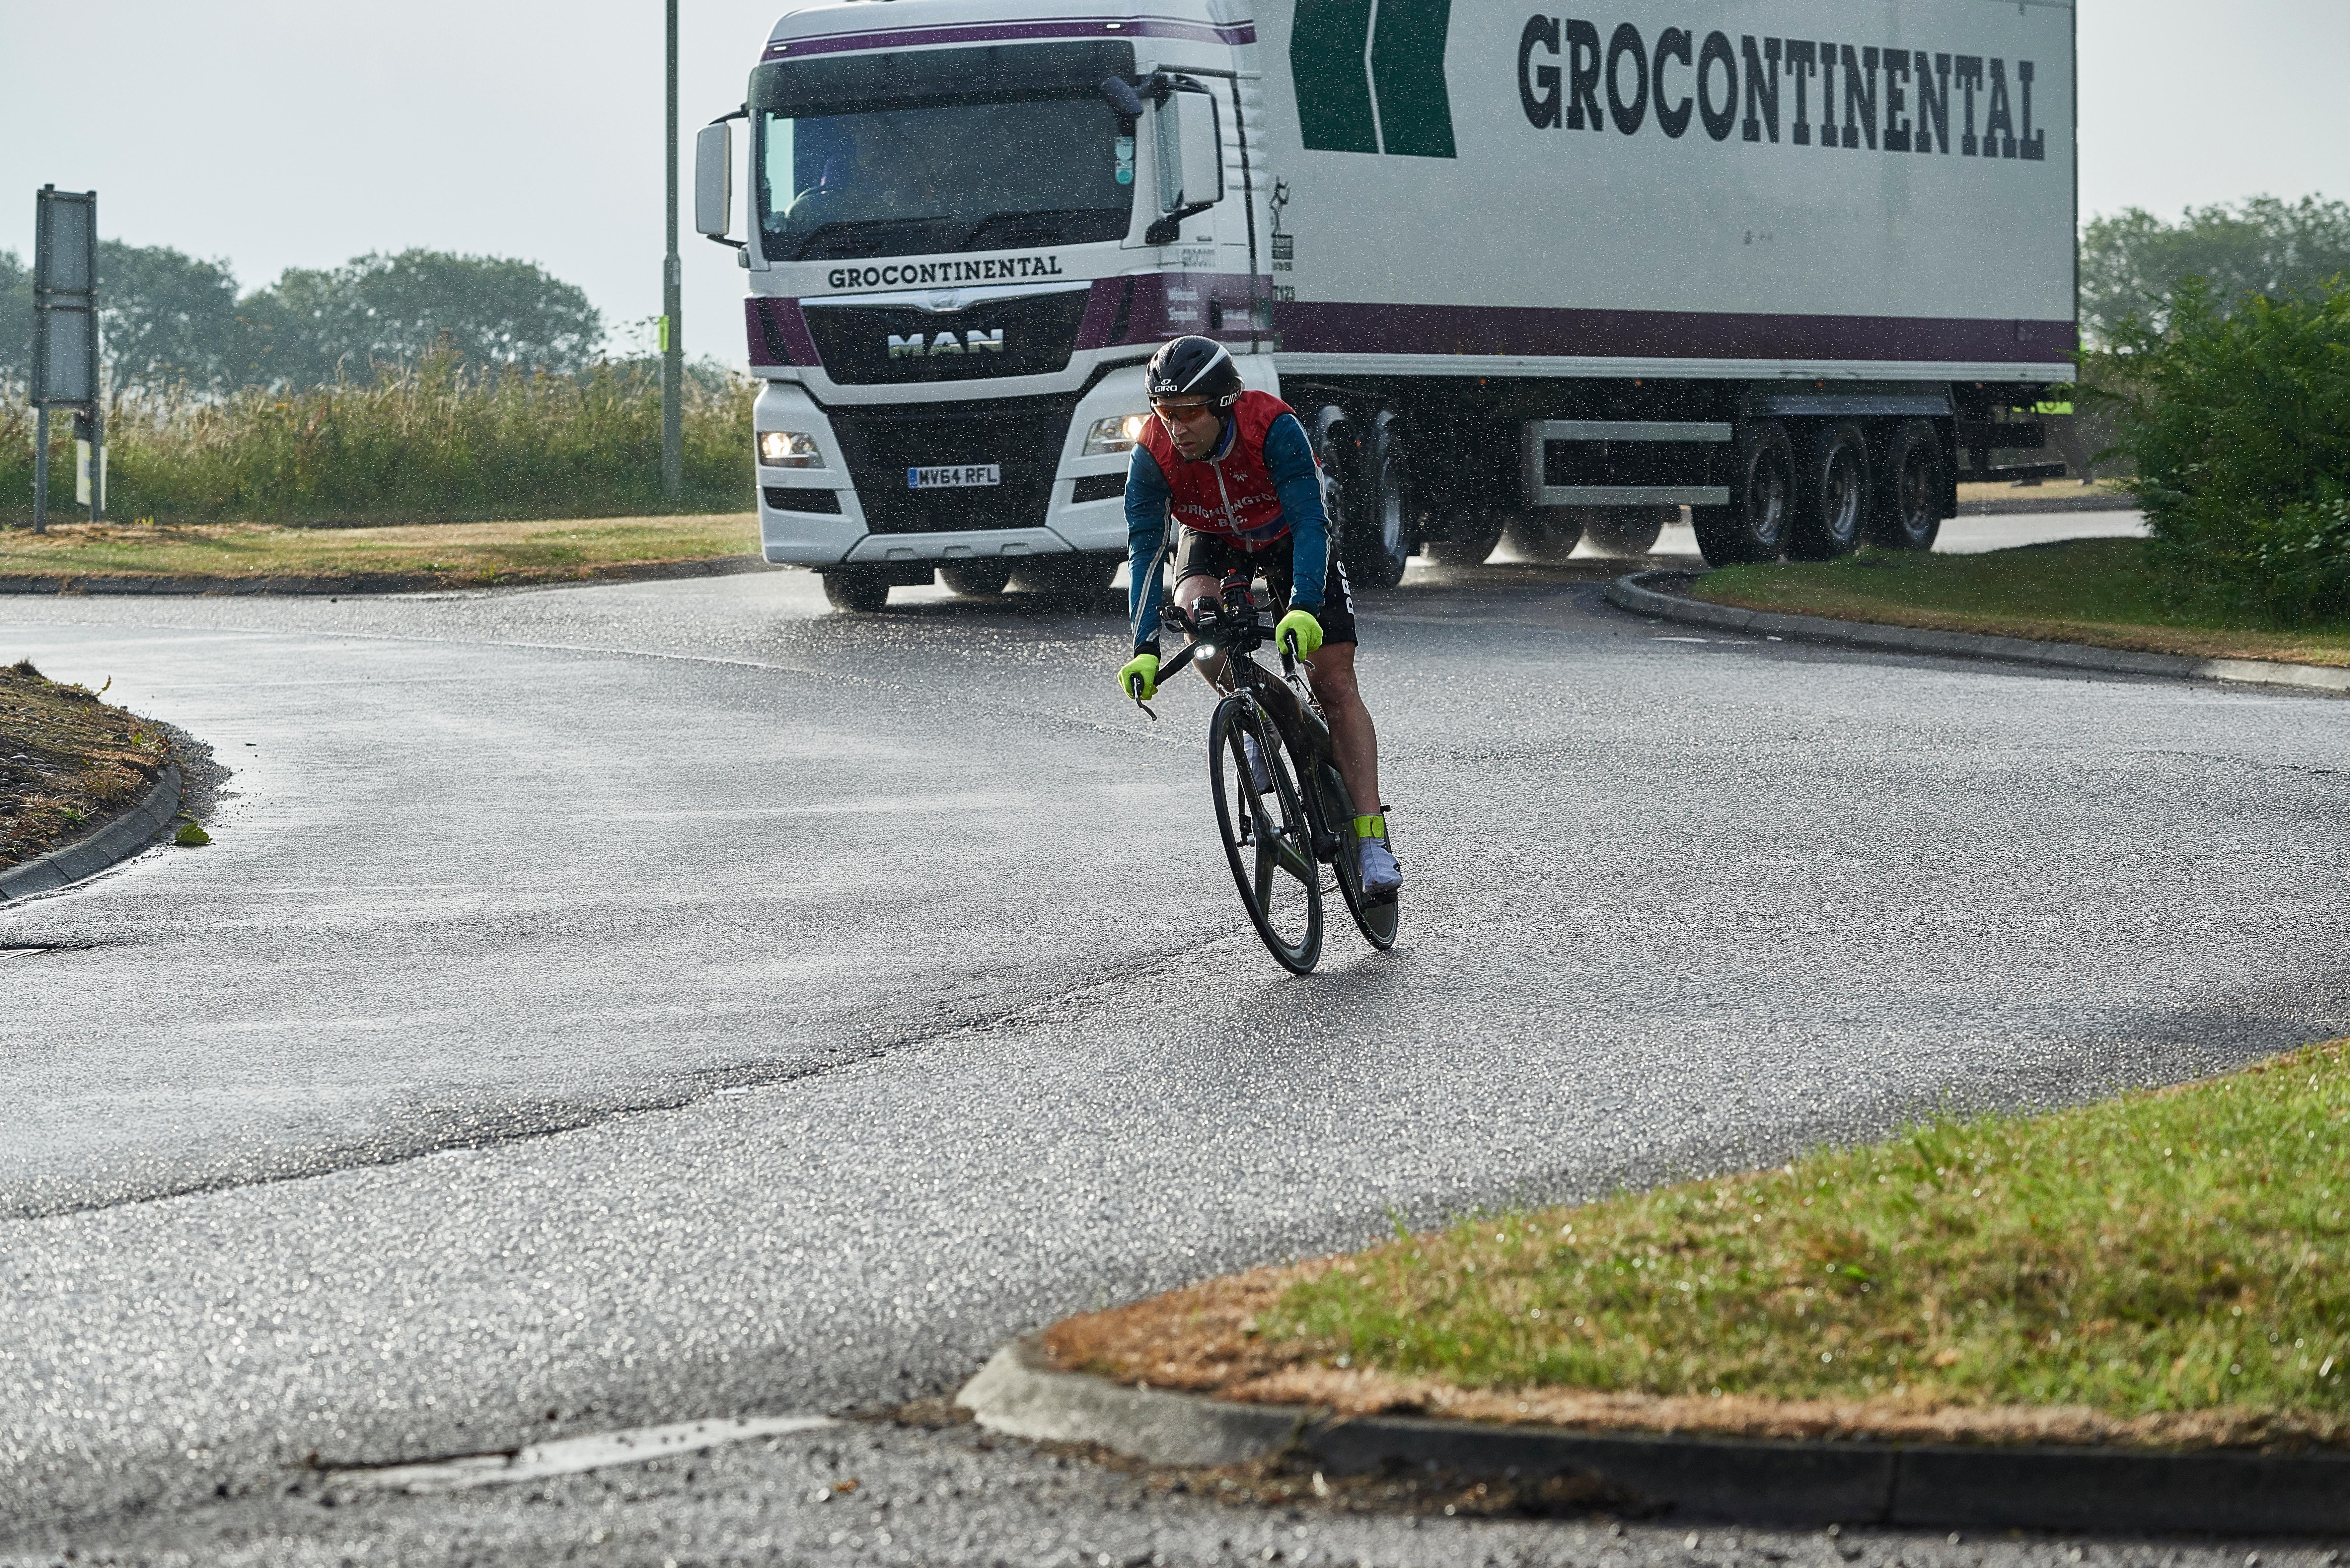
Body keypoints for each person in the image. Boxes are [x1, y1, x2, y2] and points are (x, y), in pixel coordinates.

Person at [1115, 336, 1401, 898]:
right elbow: (1146, 552)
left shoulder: (1274, 428)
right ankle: (1264, 717)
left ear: (1222, 405)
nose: (1176, 427)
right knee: (1198, 621)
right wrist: (1144, 645)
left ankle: (1371, 839)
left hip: (1289, 538)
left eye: (1189, 412)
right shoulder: (1152, 454)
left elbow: (1313, 524)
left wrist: (1302, 608)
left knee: (1336, 682)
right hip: (1215, 539)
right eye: (1164, 413)